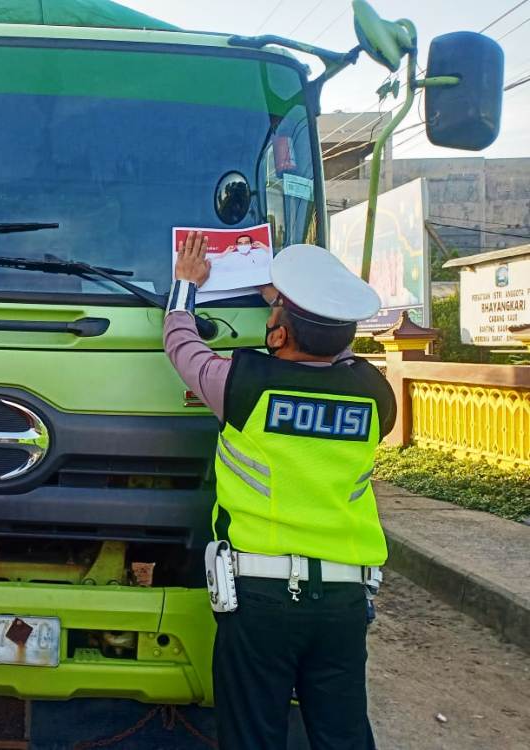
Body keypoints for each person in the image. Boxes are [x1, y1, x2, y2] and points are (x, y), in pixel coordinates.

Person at [164, 231, 395, 750]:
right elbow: (335, 355)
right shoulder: (377, 397)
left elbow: (181, 343)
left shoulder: (243, 387)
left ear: (278, 337)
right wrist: (296, 305)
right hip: (342, 601)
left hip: (261, 600)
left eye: (277, 317)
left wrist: (185, 286)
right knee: (343, 734)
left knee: (253, 736)